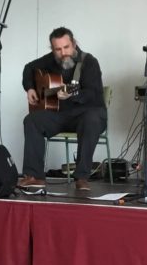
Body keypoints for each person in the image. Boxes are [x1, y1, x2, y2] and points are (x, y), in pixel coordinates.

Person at [19, 27, 106, 192]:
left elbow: (93, 93)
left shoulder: (89, 62)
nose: (63, 53)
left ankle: (82, 177)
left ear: (74, 44)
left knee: (91, 119)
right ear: (52, 49)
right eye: (58, 49)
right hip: (62, 115)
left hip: (88, 114)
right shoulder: (51, 60)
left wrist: (72, 95)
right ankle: (35, 177)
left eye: (66, 47)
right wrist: (30, 88)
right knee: (32, 120)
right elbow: (28, 68)